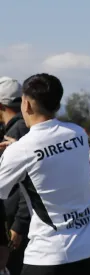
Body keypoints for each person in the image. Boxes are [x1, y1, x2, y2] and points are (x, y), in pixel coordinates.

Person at [0, 73, 90, 275]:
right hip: (89, 251)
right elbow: (52, 154)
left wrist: (12, 153)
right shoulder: (78, 133)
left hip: (48, 255)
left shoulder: (21, 150)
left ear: (26, 104)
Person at [0, 77, 31, 275]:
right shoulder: (18, 128)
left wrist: (19, 224)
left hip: (17, 223)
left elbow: (26, 183)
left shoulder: (18, 131)